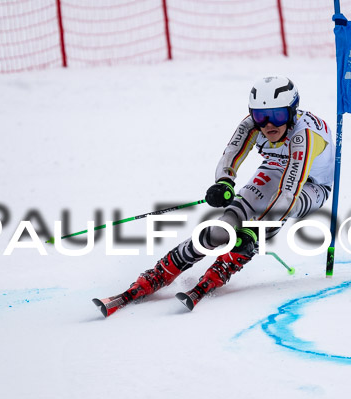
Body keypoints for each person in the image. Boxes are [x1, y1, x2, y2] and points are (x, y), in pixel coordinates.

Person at [93, 76, 335, 317]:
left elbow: (289, 194)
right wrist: (224, 182)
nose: (268, 124)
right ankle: (158, 274)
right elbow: (230, 156)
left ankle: (224, 267)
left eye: (277, 115)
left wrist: (256, 231)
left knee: (268, 219)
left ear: (292, 112)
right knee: (222, 229)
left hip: (312, 186)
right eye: (260, 116)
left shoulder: (304, 136)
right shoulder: (251, 125)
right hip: (276, 167)